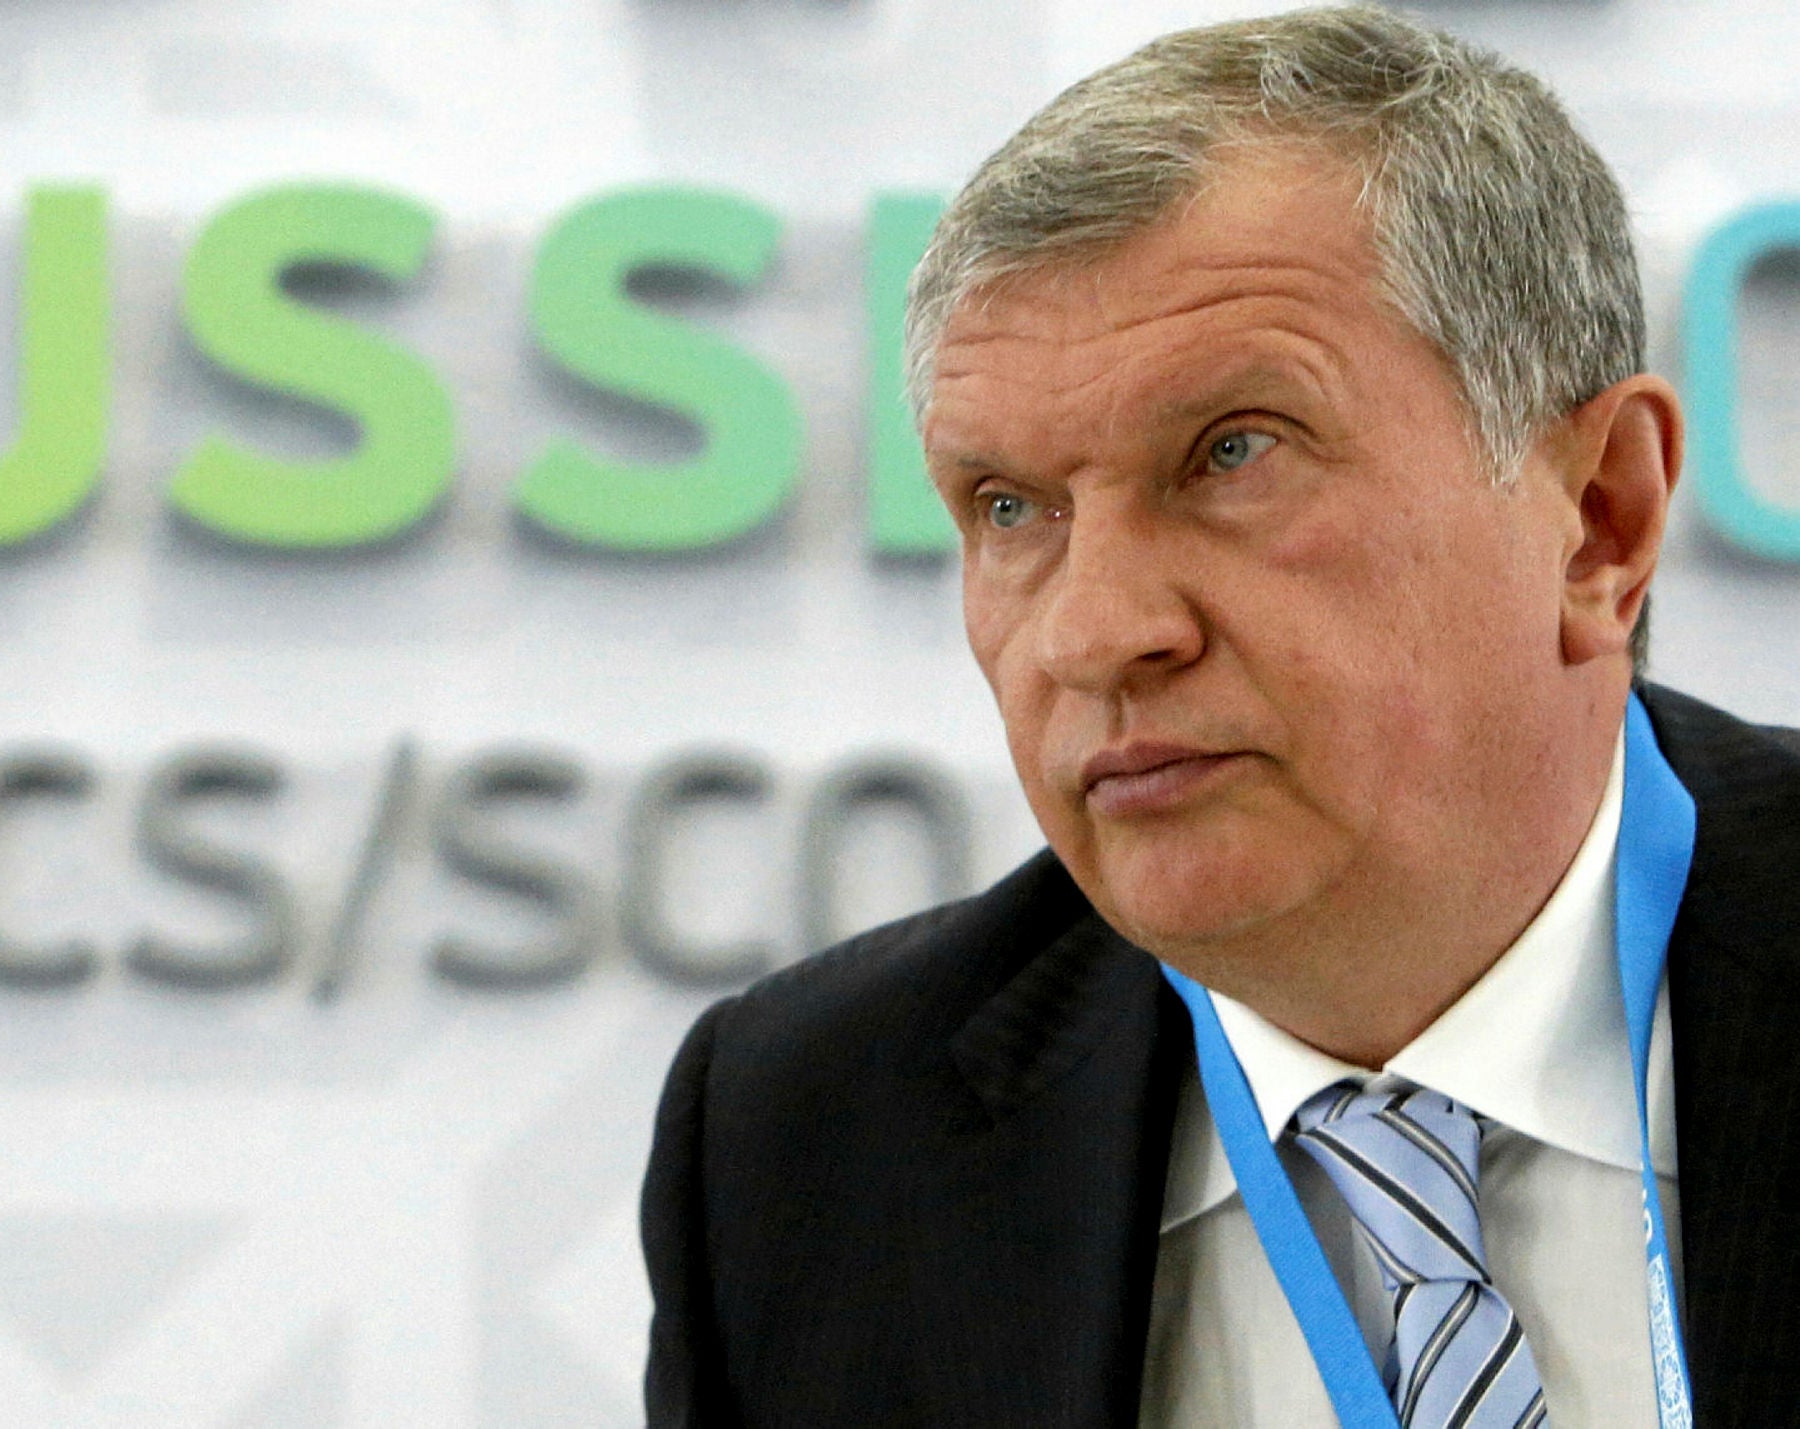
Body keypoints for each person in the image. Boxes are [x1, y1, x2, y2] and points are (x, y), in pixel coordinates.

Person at [640, 6, 1800, 1426]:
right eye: (1011, 508)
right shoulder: (812, 1145)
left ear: (1599, 521)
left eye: (1233, 452)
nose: (1093, 632)